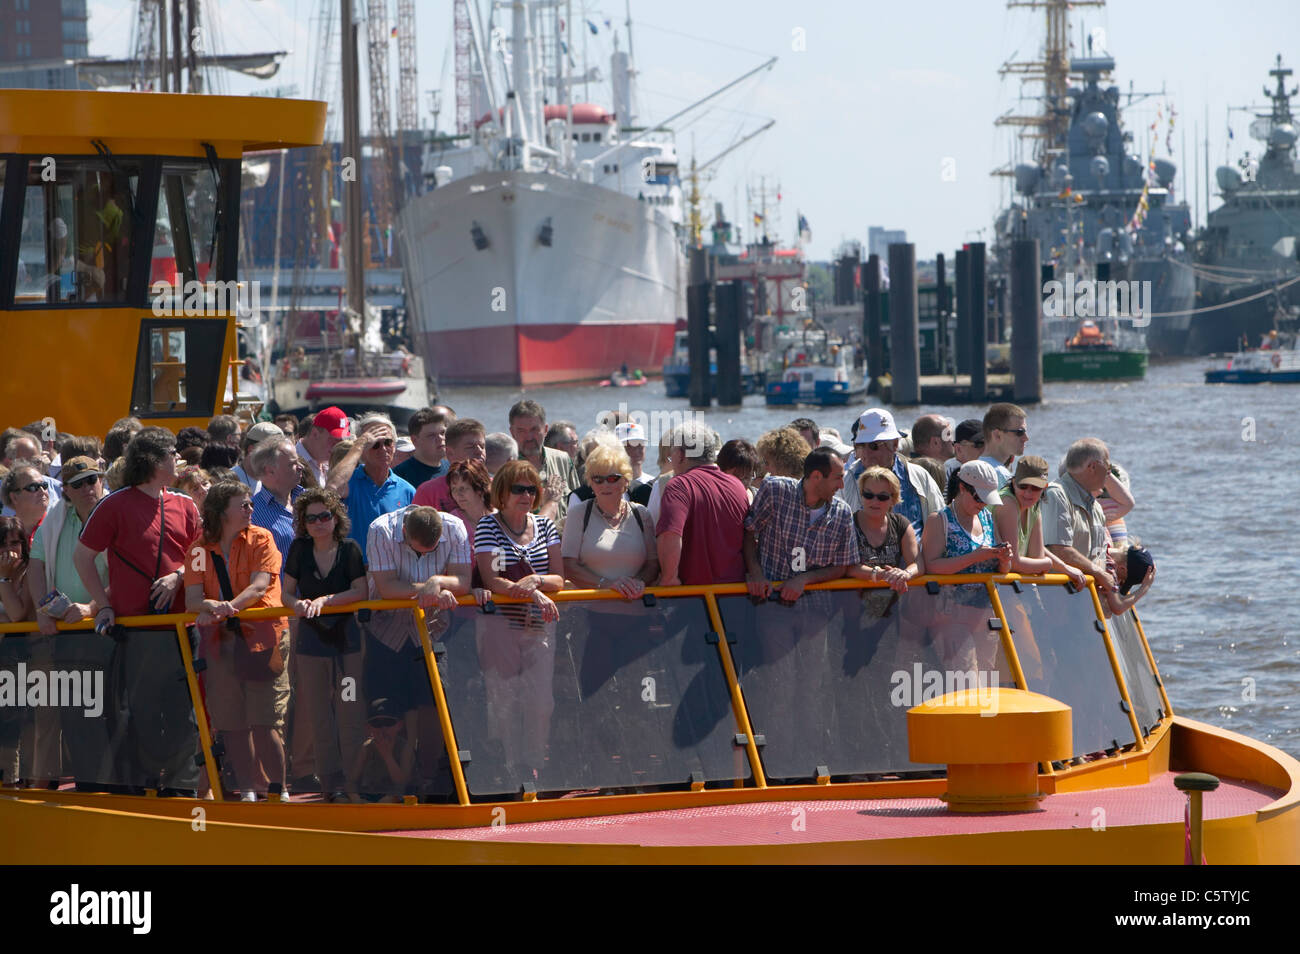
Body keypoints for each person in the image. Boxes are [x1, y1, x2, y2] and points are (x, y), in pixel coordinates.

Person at [75, 427, 202, 794]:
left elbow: (200, 555)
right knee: (142, 714)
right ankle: (145, 785)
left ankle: (180, 790)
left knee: (183, 716)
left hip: (181, 628)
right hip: (137, 632)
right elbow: (83, 558)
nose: (177, 459)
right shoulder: (114, 505)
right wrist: (105, 605)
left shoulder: (186, 504)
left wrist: (179, 576)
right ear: (152, 461)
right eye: (171, 454)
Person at [185, 481, 290, 800]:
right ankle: (247, 790)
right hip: (221, 641)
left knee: (265, 721)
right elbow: (192, 599)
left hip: (263, 638)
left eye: (250, 504)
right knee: (231, 723)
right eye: (242, 504)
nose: (250, 509)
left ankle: (278, 790)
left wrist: (227, 608)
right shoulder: (199, 549)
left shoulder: (262, 538)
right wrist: (211, 606)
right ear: (221, 512)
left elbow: (260, 586)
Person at [366, 504, 471, 794]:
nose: (425, 555)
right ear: (403, 532)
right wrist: (431, 588)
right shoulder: (380, 530)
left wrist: (438, 581)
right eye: (419, 550)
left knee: (432, 707)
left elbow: (463, 580)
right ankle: (386, 783)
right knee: (386, 710)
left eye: (432, 551)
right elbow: (387, 587)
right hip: (386, 632)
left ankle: (427, 778)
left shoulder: (456, 527)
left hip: (433, 632)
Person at [473, 460, 563, 778]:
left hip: (538, 626)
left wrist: (537, 582)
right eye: (518, 489)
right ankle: (507, 767)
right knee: (504, 700)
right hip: (500, 625)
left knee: (541, 701)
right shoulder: (488, 526)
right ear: (502, 492)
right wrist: (533, 593)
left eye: (531, 489)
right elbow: (492, 579)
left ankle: (532, 764)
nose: (525, 495)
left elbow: (559, 580)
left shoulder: (546, 526)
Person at [27, 457, 111, 789]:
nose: (88, 488)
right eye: (78, 483)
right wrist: (40, 610)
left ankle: (115, 788)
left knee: (113, 713)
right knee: (77, 715)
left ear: (101, 480)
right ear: (66, 491)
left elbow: (127, 573)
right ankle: (90, 787)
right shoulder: (54, 520)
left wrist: (92, 606)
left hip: (111, 629)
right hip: (68, 632)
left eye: (92, 480)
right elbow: (36, 565)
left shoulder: (114, 513)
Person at [282, 488, 368, 802]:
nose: (319, 523)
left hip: (347, 645)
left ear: (335, 518)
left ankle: (354, 782)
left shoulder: (350, 549)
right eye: (312, 518)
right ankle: (330, 784)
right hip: (311, 645)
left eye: (325, 516)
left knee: (349, 712)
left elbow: (361, 590)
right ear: (303, 523)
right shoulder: (299, 549)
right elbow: (285, 593)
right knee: (318, 715)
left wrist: (326, 601)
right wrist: (298, 605)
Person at [920, 460, 1013, 672]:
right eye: (979, 498)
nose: (982, 504)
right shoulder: (939, 520)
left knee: (987, 682)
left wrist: (1005, 559)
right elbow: (931, 566)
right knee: (965, 681)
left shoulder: (988, 518)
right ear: (962, 488)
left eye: (986, 499)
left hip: (986, 614)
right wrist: (975, 557)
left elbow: (1003, 570)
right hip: (952, 616)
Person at [744, 448, 857, 602]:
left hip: (816, 609)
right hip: (771, 602)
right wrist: (756, 574)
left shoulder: (843, 513)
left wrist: (804, 579)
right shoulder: (775, 491)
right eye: (837, 478)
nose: (842, 485)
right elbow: (748, 533)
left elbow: (841, 567)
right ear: (816, 476)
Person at [656, 421, 749, 586]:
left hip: (696, 599)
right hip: (735, 595)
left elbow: (670, 535)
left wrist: (669, 578)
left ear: (681, 455)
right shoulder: (738, 486)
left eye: (672, 454)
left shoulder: (679, 485)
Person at [562, 442, 658, 598]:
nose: (605, 485)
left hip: (638, 610)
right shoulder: (578, 514)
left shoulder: (641, 513)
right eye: (598, 479)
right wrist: (607, 585)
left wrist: (639, 582)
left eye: (612, 478)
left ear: (626, 481)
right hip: (591, 613)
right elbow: (568, 566)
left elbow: (653, 564)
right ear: (590, 483)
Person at [839, 408, 944, 539]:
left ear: (894, 444)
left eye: (873, 446)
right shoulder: (844, 482)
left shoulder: (919, 477)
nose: (866, 453)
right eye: (860, 445)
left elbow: (941, 524)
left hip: (916, 558)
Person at [991, 456, 1087, 587]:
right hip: (991, 585)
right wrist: (1047, 564)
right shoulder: (1007, 503)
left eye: (1036, 487)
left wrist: (1064, 568)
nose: (1028, 493)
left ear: (1044, 487)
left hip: (1011, 585)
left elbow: (1037, 554)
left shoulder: (1034, 505)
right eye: (1023, 486)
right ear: (1013, 482)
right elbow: (1014, 563)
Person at [327, 413, 415, 550]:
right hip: (356, 568)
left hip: (393, 569)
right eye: (374, 444)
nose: (383, 449)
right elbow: (331, 489)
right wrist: (359, 445)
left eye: (387, 442)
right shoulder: (349, 482)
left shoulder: (407, 490)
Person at [1040, 438, 1117, 593]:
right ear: (1092, 466)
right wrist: (1098, 573)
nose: (1109, 474)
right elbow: (1058, 549)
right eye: (1108, 467)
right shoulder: (1057, 495)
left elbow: (1098, 554)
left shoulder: (1095, 507)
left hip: (1084, 598)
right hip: (1057, 597)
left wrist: (1105, 572)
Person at [846, 466, 921, 592]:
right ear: (861, 495)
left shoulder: (901, 524)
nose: (875, 501)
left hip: (893, 607)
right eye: (868, 495)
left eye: (882, 497)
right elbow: (846, 567)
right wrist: (881, 574)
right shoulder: (848, 524)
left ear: (894, 499)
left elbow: (918, 563)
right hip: (853, 607)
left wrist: (905, 574)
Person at [508, 399, 580, 525]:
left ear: (545, 429)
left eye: (534, 429)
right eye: (521, 431)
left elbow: (580, 505)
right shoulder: (506, 468)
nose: (529, 437)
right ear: (512, 433)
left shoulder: (563, 460)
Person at [412, 419, 487, 513]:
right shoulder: (429, 491)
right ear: (450, 453)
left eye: (482, 446)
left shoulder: (496, 486)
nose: (479, 451)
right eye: (470, 447)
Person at [393, 408, 450, 489]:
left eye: (442, 433)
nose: (440, 438)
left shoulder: (452, 470)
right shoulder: (399, 476)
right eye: (431, 435)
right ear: (415, 440)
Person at [445, 459, 493, 553]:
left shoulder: (501, 517)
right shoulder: (451, 523)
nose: (458, 494)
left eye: (463, 488)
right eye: (454, 489)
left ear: (479, 488)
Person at [296, 406, 349, 487]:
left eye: (341, 440)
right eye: (333, 440)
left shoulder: (330, 462)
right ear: (315, 434)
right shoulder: (291, 461)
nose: (338, 446)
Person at [979, 403, 1030, 488]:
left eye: (1025, 432)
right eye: (1020, 432)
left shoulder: (972, 467)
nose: (1026, 438)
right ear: (997, 435)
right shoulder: (1001, 475)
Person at [231, 421, 284, 496]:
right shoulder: (230, 480)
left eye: (280, 451)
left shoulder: (279, 480)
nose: (276, 456)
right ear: (252, 449)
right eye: (271, 451)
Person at [2, 461, 51, 541]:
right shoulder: (5, 534)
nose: (42, 491)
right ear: (14, 497)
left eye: (44, 485)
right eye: (33, 487)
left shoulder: (59, 525)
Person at [717, 438, 762, 503]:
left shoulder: (759, 499)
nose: (742, 483)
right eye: (736, 477)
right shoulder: (715, 499)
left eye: (747, 477)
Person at [615, 421, 654, 492]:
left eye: (639, 445)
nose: (636, 451)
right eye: (629, 446)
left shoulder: (653, 485)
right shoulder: (609, 485)